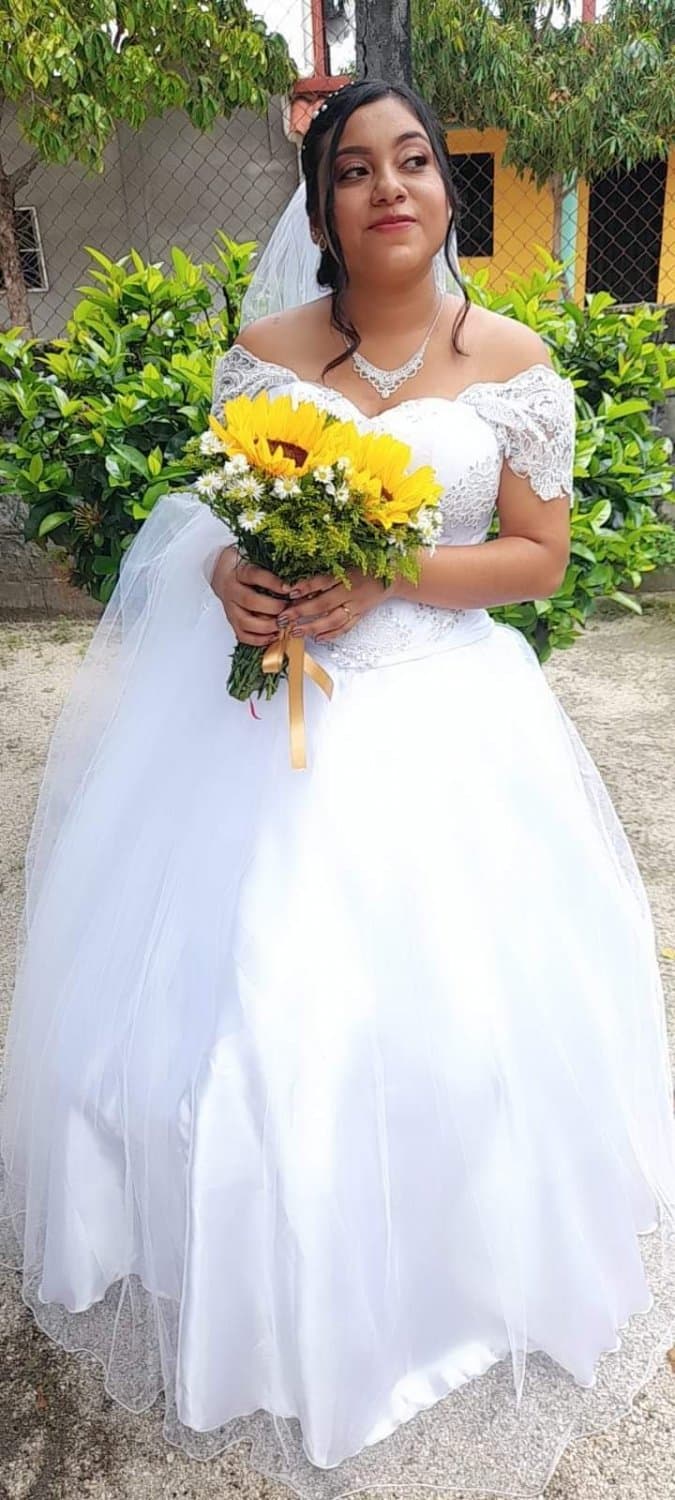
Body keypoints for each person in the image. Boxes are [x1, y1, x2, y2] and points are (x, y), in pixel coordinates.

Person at [1, 76, 675, 1500]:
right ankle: (257, 1274)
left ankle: (457, 1271)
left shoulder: (516, 358)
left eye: (415, 162)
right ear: (320, 209)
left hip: (451, 714)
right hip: (276, 733)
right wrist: (236, 579)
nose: (390, 187)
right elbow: (206, 524)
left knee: (466, 1021)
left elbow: (538, 560)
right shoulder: (265, 357)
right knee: (255, 1005)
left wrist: (393, 574)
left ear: (446, 192)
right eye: (356, 169)